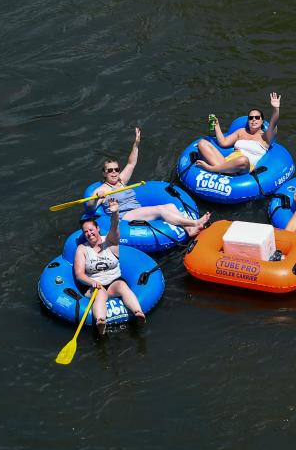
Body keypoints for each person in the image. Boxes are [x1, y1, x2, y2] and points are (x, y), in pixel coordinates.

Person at [92, 128, 210, 237]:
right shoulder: (103, 189)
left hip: (136, 210)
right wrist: (97, 197)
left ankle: (189, 230)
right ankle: (194, 223)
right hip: (125, 216)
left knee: (171, 206)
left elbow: (131, 163)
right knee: (160, 210)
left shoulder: (121, 180)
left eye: (116, 170)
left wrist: (136, 144)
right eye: (110, 170)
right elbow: (90, 206)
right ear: (104, 173)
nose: (114, 173)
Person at [74, 198, 145, 336]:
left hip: (113, 282)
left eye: (91, 230)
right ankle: (101, 321)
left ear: (97, 228)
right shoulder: (82, 249)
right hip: (93, 286)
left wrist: (115, 213)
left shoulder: (110, 241)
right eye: (86, 232)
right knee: (100, 292)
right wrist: (92, 282)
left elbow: (114, 228)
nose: (89, 233)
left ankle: (138, 313)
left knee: (122, 286)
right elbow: (79, 274)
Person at [195, 92, 281, 174]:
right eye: (251, 118)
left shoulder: (265, 137)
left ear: (262, 121)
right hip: (226, 162)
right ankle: (222, 170)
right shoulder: (241, 132)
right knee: (202, 143)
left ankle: (212, 169)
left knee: (243, 160)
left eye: (257, 117)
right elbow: (223, 143)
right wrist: (217, 126)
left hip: (243, 168)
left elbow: (273, 123)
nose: (254, 119)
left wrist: (276, 109)